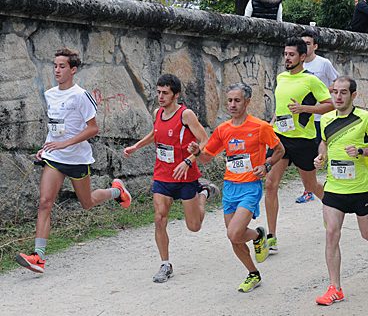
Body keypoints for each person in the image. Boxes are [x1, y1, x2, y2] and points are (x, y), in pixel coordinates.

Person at [15, 48, 132, 274]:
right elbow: (56, 127)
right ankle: (38, 257)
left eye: (62, 66)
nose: (57, 70)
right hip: (54, 157)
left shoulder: (81, 95)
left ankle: (117, 191)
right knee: (45, 203)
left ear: (73, 70)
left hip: (77, 158)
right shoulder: (49, 94)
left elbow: (93, 128)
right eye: (55, 66)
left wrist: (66, 144)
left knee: (87, 202)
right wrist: (46, 147)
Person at [188, 83, 285, 293]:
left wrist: (266, 165)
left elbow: (279, 150)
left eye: (237, 100)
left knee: (233, 233)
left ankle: (259, 236)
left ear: (247, 102)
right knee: (235, 239)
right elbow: (206, 158)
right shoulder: (223, 129)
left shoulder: (260, 127)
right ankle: (253, 273)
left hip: (250, 186)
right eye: (230, 100)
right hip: (230, 187)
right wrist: (197, 152)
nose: (232, 105)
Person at [313, 76, 368, 306]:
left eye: (343, 92)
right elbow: (324, 142)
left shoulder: (365, 118)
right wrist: (321, 155)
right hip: (334, 188)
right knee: (332, 233)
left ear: (354, 95)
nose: (338, 97)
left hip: (361, 188)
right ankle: (335, 288)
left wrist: (362, 151)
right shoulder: (326, 119)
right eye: (334, 92)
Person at [122, 74, 218, 283]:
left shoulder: (186, 115)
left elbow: (205, 140)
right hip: (163, 175)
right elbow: (156, 133)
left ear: (176, 95)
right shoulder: (158, 113)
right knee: (159, 218)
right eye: (158, 92)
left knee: (194, 226)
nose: (160, 96)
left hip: (185, 176)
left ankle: (203, 192)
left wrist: (189, 161)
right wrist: (136, 146)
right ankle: (165, 264)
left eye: (165, 93)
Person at [263, 38, 334, 254]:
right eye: (285, 54)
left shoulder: (311, 80)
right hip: (280, 139)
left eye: (291, 54)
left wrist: (304, 109)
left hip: (303, 140)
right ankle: (272, 235)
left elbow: (330, 104)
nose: (287, 58)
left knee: (311, 186)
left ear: (302, 57)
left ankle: (333, 207)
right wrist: (271, 125)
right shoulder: (281, 77)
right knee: (270, 184)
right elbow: (281, 107)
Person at [298, 30, 340, 203]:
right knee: (307, 155)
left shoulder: (323, 64)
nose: (305, 47)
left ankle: (332, 183)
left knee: (324, 151)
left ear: (315, 46)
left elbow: (338, 82)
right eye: (303, 43)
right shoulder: (297, 65)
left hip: (322, 116)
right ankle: (309, 189)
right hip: (303, 118)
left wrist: (321, 92)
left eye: (308, 43)